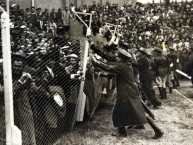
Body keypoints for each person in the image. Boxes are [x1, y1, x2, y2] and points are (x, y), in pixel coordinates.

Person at [91, 45, 164, 139]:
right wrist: (105, 75)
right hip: (132, 90)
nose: (116, 57)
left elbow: (109, 68)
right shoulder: (126, 65)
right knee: (138, 110)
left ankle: (122, 132)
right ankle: (155, 129)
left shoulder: (121, 66)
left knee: (118, 112)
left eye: (118, 56)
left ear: (121, 58)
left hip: (126, 92)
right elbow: (117, 73)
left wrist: (95, 62)